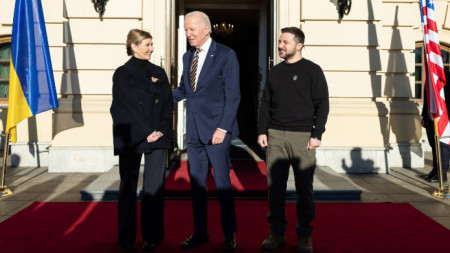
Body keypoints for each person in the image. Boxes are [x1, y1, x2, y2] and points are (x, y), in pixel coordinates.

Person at [172, 11, 240, 252]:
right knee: (198, 187)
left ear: (205, 29)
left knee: (222, 185)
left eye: (191, 29)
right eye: (186, 29)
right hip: (193, 133)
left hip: (217, 132)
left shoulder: (225, 54)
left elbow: (233, 96)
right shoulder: (187, 56)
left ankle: (229, 235)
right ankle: (200, 232)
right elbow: (183, 90)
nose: (188, 34)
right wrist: (156, 97)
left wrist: (223, 128)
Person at [257, 27, 329, 253]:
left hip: (303, 138)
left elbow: (323, 104)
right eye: (280, 41)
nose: (280, 45)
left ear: (299, 45)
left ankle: (305, 235)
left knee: (304, 189)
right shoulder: (275, 72)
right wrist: (262, 131)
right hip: (276, 136)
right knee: (275, 189)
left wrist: (317, 134)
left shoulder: (313, 71)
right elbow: (266, 103)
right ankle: (276, 233)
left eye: (285, 42)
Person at [110, 29, 173, 251]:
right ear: (134, 46)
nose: (151, 48)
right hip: (133, 135)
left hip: (158, 135)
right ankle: (126, 238)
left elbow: (167, 104)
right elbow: (122, 107)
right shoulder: (121, 74)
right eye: (147, 44)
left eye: (152, 44)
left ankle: (152, 236)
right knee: (128, 187)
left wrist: (160, 130)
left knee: (154, 188)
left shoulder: (159, 72)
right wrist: (145, 131)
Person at [420, 69, 450, 183]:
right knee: (434, 145)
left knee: (443, 146)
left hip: (443, 118)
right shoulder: (429, 77)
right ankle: (435, 171)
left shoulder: (446, 76)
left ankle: (442, 174)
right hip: (430, 118)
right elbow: (427, 99)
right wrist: (424, 116)